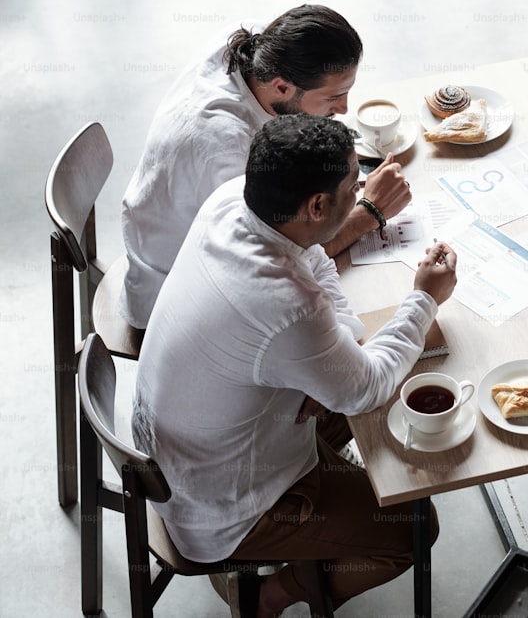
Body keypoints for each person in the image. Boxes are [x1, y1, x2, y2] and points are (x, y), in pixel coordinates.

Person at [131, 114, 458, 615]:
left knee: (346, 392)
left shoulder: (235, 199)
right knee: (417, 527)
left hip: (179, 453)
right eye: (355, 184)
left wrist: (331, 343)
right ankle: (269, 595)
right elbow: (366, 388)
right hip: (223, 506)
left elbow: (314, 261)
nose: (364, 190)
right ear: (318, 205)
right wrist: (424, 299)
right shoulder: (287, 305)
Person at [121, 4, 412, 328]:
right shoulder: (226, 150)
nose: (343, 109)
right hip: (174, 302)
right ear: (282, 87)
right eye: (333, 97)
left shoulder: (256, 43)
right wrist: (369, 212)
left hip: (172, 231)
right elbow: (286, 253)